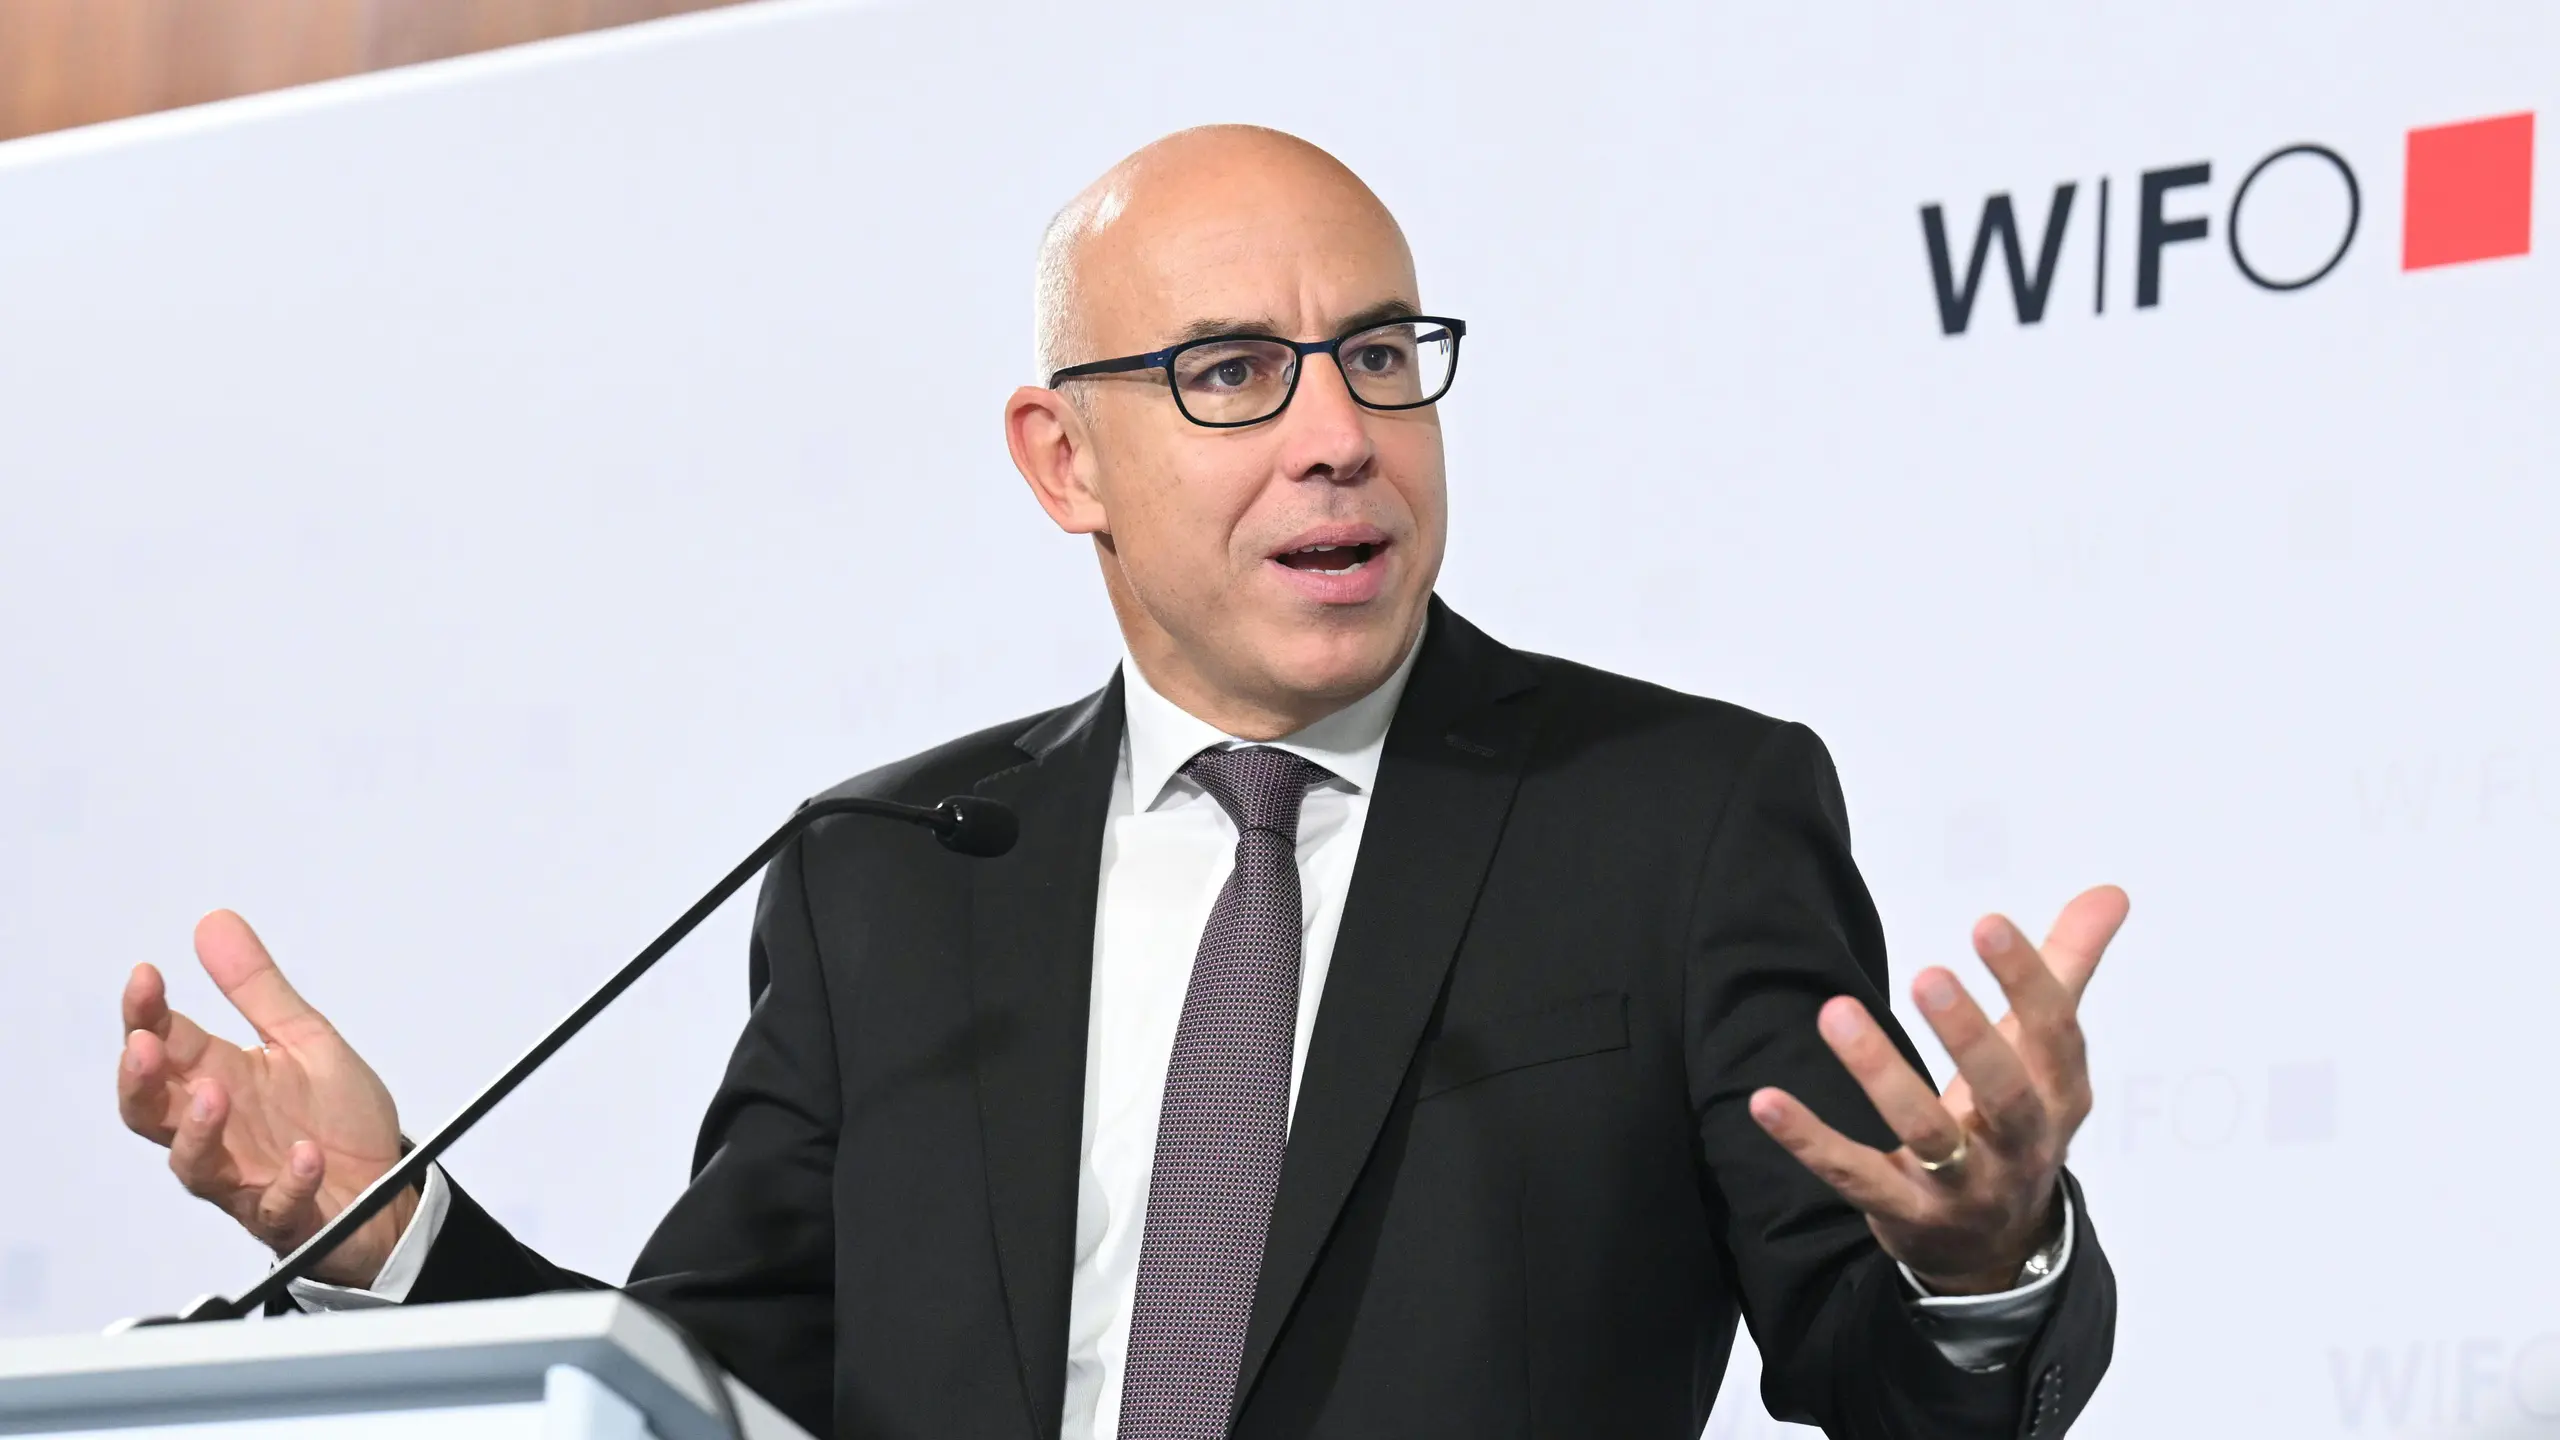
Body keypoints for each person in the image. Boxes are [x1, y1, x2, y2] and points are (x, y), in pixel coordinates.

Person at [116, 125, 2124, 1439]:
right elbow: (694, 1404)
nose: (1336, 435)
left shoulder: (1672, 814)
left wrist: (1975, 1265)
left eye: (1379, 355)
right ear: (1061, 461)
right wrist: (389, 1233)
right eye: (1231, 373)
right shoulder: (888, 876)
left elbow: (1886, 1376)